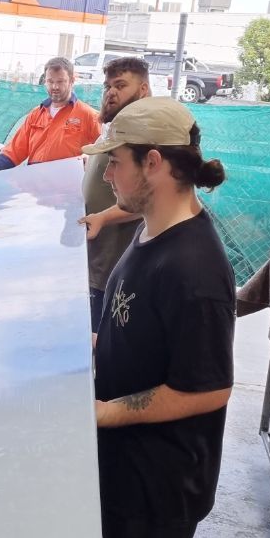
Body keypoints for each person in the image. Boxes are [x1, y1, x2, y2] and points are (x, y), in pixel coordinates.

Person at [31, 97, 235, 538]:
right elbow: (132, 328)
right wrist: (80, 342)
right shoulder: (150, 232)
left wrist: (103, 413)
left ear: (153, 163)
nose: (107, 175)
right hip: (126, 457)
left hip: (162, 475)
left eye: (113, 162)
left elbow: (207, 387)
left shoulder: (195, 270)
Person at [80, 57, 151, 333]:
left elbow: (150, 198)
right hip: (98, 259)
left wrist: (103, 218)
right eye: (107, 86)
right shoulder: (116, 126)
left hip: (117, 266)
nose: (111, 93)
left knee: (107, 342)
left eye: (120, 86)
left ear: (143, 89)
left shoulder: (147, 133)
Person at [0, 57, 100, 174]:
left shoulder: (89, 115)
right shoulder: (36, 114)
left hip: (68, 186)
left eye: (60, 81)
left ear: (72, 80)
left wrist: (91, 158)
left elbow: (104, 152)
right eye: (50, 81)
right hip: (34, 184)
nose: (55, 86)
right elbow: (13, 153)